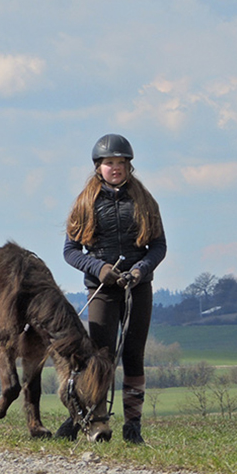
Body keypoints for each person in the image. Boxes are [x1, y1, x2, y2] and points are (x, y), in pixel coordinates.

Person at [59, 133, 167, 444]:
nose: (115, 168)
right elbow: (70, 251)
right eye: (109, 163)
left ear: (129, 166)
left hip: (137, 289)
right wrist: (100, 269)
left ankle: (133, 429)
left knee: (134, 355)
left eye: (121, 163)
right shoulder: (84, 203)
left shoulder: (145, 201)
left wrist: (140, 270)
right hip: (101, 291)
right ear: (98, 167)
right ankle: (88, 420)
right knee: (99, 359)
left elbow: (158, 245)